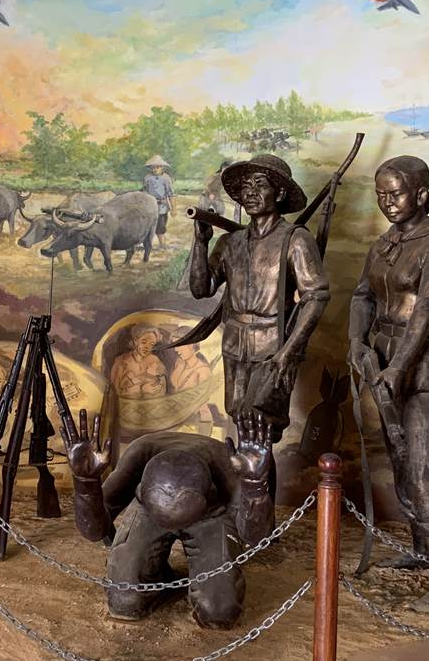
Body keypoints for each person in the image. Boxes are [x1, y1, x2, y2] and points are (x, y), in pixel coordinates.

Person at [348, 155, 429, 613]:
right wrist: (357, 342)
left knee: (425, 469)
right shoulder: (383, 244)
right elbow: (362, 295)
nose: (387, 202)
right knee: (400, 460)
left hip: (426, 366)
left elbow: (427, 312)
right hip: (383, 361)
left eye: (395, 193)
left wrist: (398, 368)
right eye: (380, 194)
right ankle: (420, 551)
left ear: (421, 193)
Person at [189, 154, 330, 484]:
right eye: (245, 186)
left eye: (260, 184)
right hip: (234, 345)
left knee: (260, 432)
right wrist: (200, 243)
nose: (250, 192)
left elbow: (316, 295)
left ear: (279, 193)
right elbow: (201, 288)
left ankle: (258, 511)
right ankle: (251, 506)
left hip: (271, 348)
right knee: (243, 427)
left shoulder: (295, 239)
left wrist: (288, 351)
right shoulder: (231, 242)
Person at [65, 409, 274, 629]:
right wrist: (85, 484)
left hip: (211, 514)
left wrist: (255, 488)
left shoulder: (228, 467)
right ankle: (158, 576)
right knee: (124, 601)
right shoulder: (138, 456)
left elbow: (256, 538)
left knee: (219, 612)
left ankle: (199, 580)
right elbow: (94, 531)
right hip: (149, 510)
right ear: (141, 489)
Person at [110, 325, 167, 399]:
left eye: (152, 344)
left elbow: (163, 382)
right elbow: (115, 391)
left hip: (153, 402)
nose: (147, 347)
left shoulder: (155, 359)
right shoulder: (121, 361)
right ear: (135, 340)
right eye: (144, 342)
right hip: (127, 404)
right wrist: (141, 389)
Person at [142, 155, 174, 248]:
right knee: (148, 225)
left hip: (162, 206)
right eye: (153, 167)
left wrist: (173, 208)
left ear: (162, 167)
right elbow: (144, 191)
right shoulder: (147, 178)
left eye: (157, 167)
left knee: (161, 225)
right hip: (150, 205)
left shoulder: (166, 178)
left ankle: (162, 244)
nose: (155, 169)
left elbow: (171, 194)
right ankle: (147, 244)